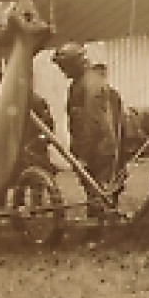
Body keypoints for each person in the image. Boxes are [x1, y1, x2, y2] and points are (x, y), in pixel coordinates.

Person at [52, 42, 126, 214]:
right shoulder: (83, 82)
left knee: (98, 191)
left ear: (75, 63)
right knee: (97, 191)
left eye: (64, 66)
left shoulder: (90, 84)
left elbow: (93, 123)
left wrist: (84, 154)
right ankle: (102, 225)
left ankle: (99, 228)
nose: (63, 71)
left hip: (98, 148)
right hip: (96, 147)